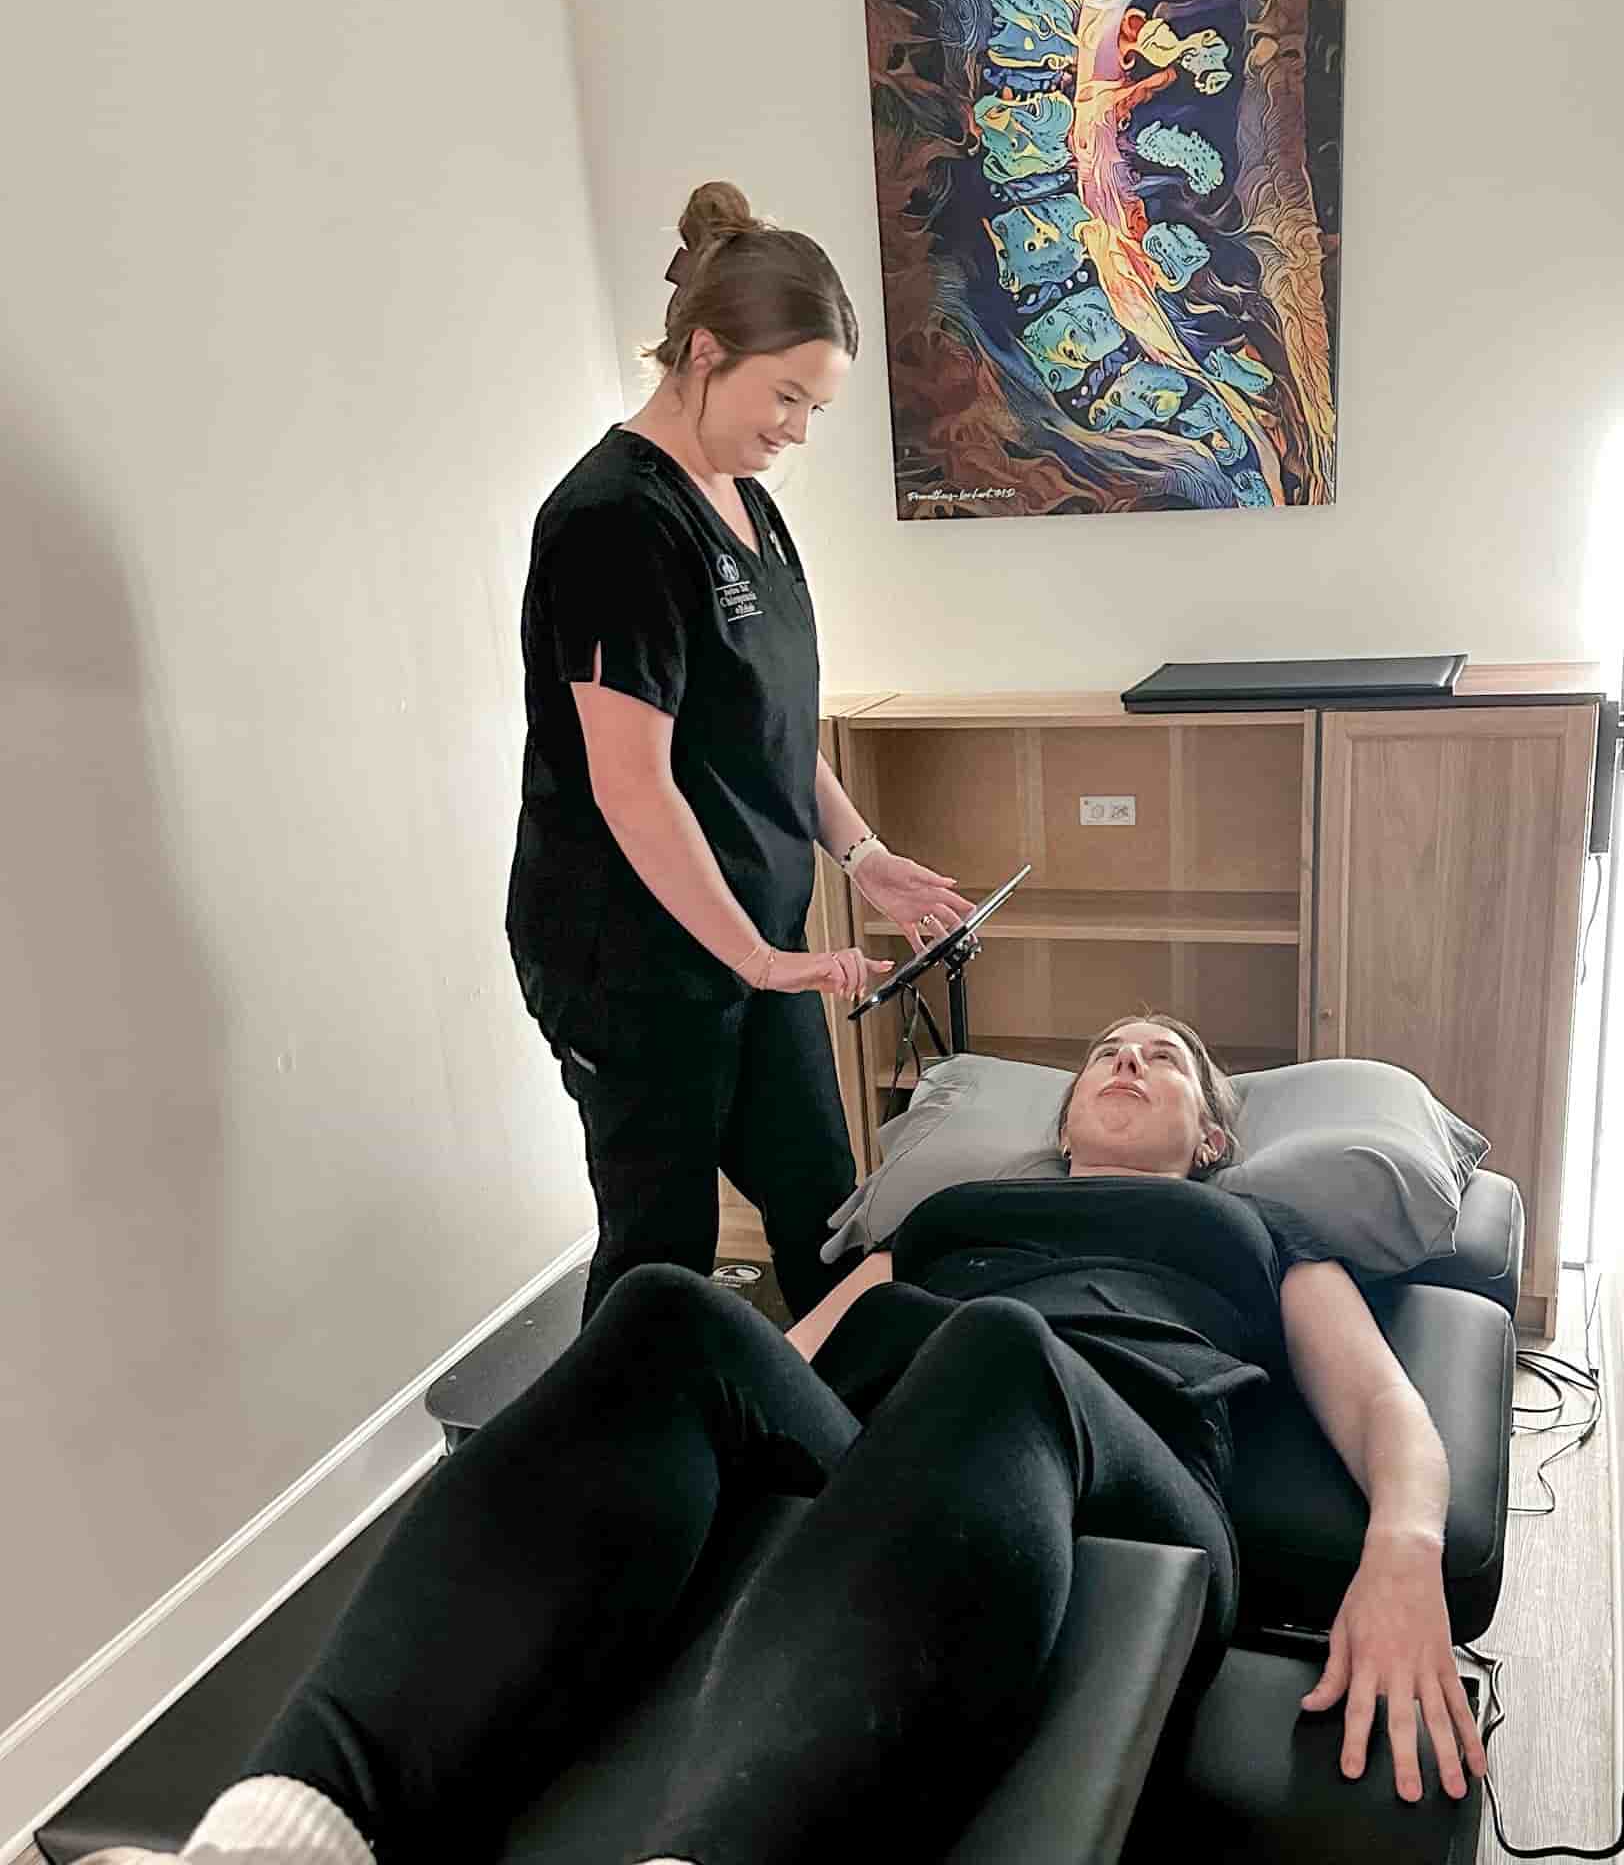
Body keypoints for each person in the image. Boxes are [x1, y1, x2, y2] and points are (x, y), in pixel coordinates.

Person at [84, 1014, 1486, 1865]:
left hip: (1121, 1482)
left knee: (993, 1348)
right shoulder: (938, 1220)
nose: (1124, 1060)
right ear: (1058, 1120)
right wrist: (681, 1435)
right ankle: (282, 1834)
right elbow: (782, 1369)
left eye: (1162, 1059)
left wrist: (1404, 1551)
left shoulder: (1254, 1230)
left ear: (1211, 1130)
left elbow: (1379, 1407)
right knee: (668, 1311)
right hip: (896, 1461)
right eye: (1101, 1055)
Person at [505, 181, 969, 1322]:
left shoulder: (748, 504)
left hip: (750, 943)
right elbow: (631, 785)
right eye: (786, 396)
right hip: (630, 957)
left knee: (824, 1212)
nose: (797, 431)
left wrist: (861, 855)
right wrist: (761, 963)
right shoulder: (615, 519)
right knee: (661, 1248)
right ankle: (619, 1481)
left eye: (815, 407)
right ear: (703, 351)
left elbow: (770, 725)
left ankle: (844, 1464)